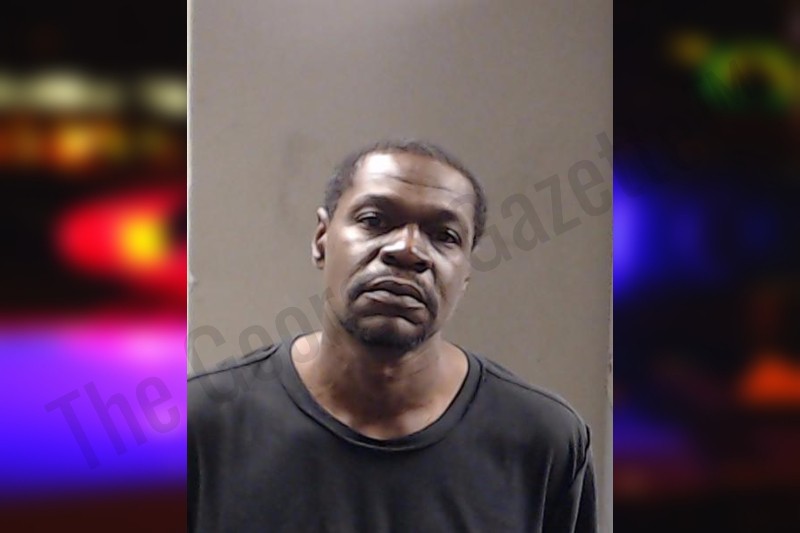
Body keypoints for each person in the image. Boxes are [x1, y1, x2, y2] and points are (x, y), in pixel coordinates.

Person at [188, 139, 597, 532]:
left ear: (466, 273)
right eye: (374, 221)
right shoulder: (197, 425)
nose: (407, 249)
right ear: (321, 240)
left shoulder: (544, 442)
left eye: (445, 236)